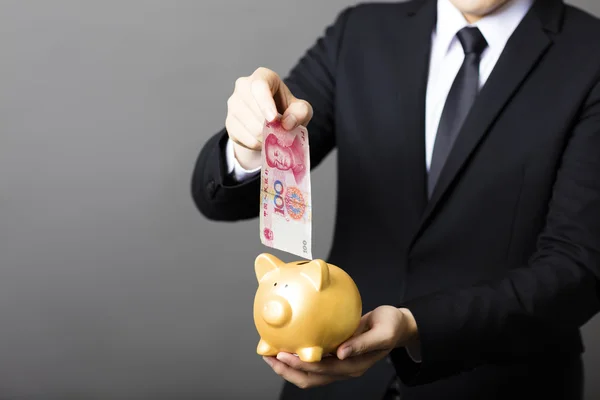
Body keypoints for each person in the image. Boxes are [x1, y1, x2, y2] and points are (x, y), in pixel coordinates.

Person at [191, 0, 600, 398]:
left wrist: (417, 326)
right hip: (334, 381)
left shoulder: (589, 54)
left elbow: (579, 268)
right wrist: (249, 147)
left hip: (503, 382)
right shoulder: (360, 33)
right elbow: (225, 199)